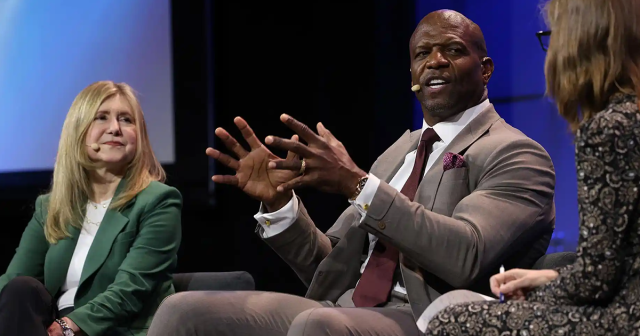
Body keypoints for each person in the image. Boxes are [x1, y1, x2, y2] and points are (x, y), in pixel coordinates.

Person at [148, 10, 555, 336]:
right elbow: (331, 264)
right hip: (343, 310)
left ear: (484, 69)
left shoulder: (516, 153)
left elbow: (466, 255)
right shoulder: (400, 151)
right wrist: (280, 204)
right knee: (184, 309)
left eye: (452, 49)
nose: (435, 61)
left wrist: (356, 183)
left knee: (318, 323)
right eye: (421, 54)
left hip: (429, 319)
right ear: (412, 76)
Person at [424, 1, 640, 335]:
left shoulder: (610, 129)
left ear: (581, 44)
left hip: (626, 320)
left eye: (555, 37)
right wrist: (550, 278)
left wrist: (533, 300)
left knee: (451, 320)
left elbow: (596, 280)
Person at [0, 81, 182, 336]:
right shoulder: (52, 206)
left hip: (112, 329)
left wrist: (69, 326)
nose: (115, 128)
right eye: (101, 118)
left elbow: (132, 288)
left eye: (126, 120)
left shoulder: (158, 201)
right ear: (79, 130)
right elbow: (12, 282)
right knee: (20, 289)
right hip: (49, 329)